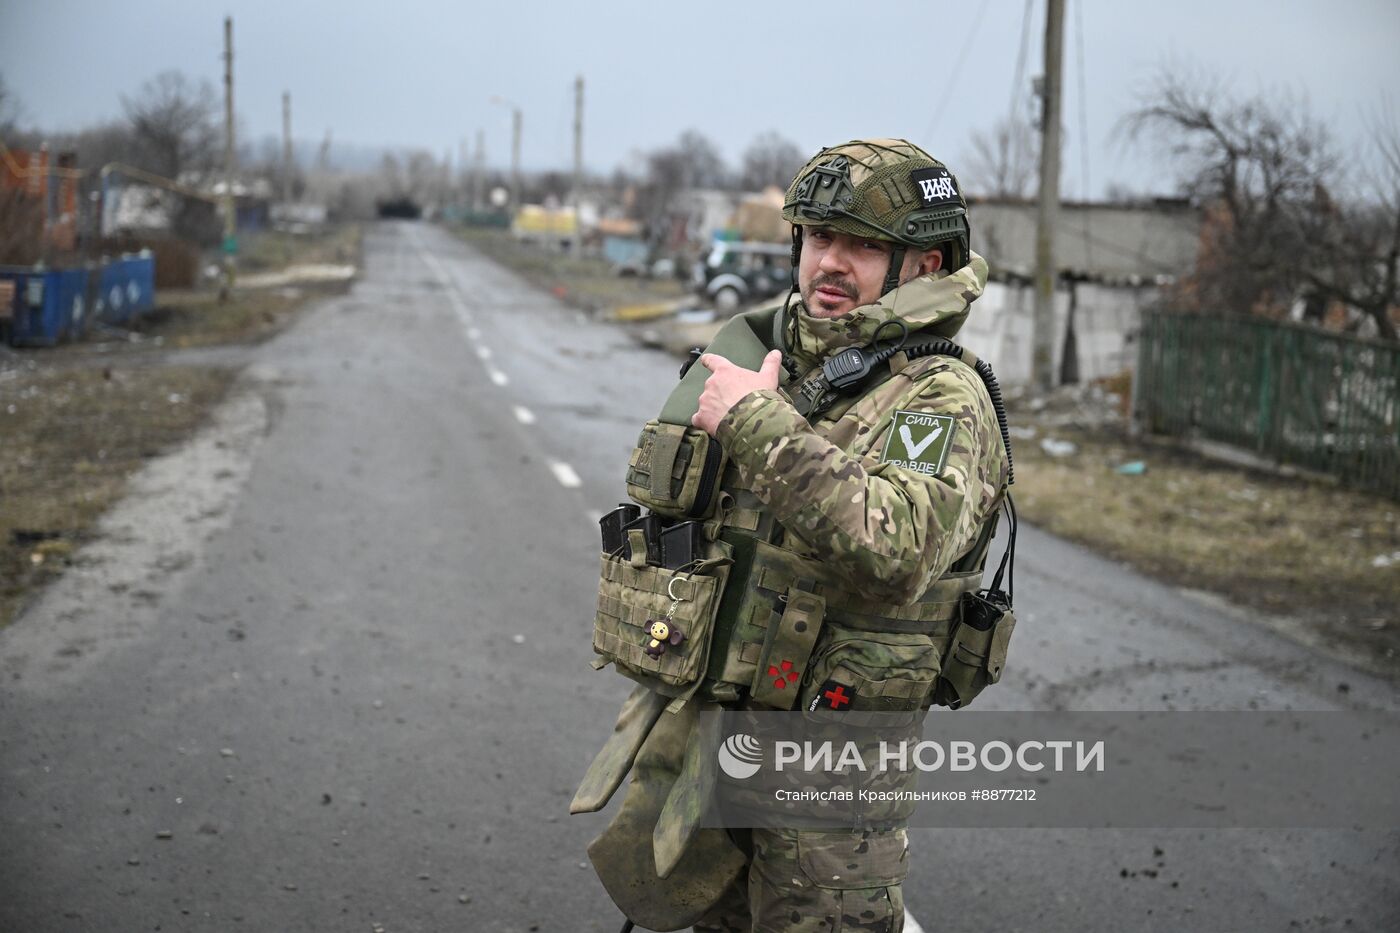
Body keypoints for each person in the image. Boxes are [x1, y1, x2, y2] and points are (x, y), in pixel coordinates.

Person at [573, 139, 1014, 933]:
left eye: (863, 244)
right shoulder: (775, 358)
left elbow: (896, 547)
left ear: (928, 262)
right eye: (816, 237)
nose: (829, 263)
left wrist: (752, 419)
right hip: (714, 745)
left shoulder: (941, 394)